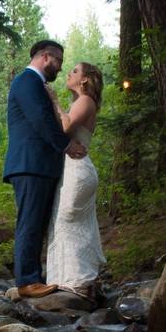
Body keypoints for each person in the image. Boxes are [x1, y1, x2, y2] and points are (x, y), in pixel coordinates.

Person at [3, 40, 88, 298]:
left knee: (37, 223)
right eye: (59, 61)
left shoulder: (35, 84)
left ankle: (34, 278)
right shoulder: (27, 81)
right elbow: (40, 118)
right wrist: (65, 145)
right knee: (29, 222)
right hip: (30, 164)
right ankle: (27, 281)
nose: (61, 68)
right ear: (46, 57)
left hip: (38, 165)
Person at [44, 62, 107, 304]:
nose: (68, 73)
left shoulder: (85, 100)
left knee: (67, 221)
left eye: (74, 71)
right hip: (73, 170)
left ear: (84, 80)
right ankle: (71, 281)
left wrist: (54, 101)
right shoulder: (80, 101)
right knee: (67, 223)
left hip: (78, 171)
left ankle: (77, 282)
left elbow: (67, 125)